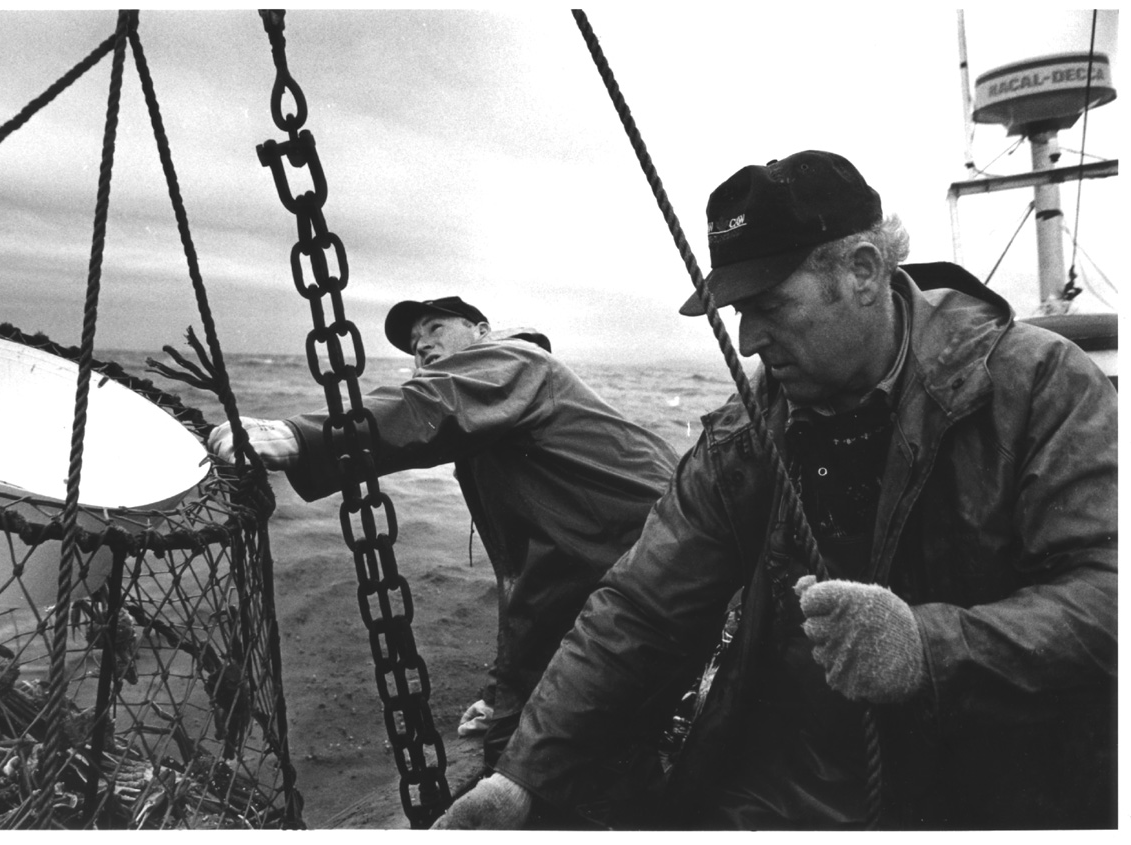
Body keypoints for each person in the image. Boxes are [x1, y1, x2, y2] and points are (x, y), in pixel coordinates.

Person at [433, 150, 1117, 829]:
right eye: (737, 310)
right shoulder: (747, 430)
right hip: (788, 790)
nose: (748, 337)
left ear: (862, 272)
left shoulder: (1038, 385)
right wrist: (522, 776)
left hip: (1001, 789)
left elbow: (1111, 593)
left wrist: (930, 648)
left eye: (767, 305)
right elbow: (642, 608)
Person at [208, 295, 680, 769]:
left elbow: (431, 404)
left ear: (482, 330)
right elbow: (529, 578)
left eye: (435, 328)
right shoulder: (492, 426)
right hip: (637, 558)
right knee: (533, 736)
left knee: (529, 756)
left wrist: (302, 436)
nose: (423, 346)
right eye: (414, 344)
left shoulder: (516, 358)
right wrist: (501, 693)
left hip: (661, 550)